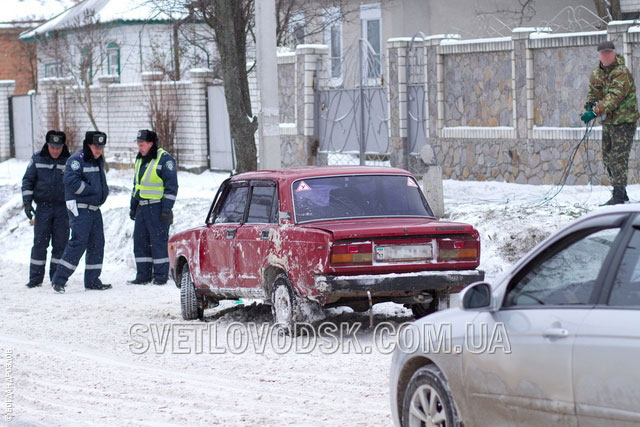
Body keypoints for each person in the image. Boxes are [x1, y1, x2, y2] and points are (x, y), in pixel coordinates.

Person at [51, 131, 111, 293]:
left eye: (101, 147)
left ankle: (92, 280)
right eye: (96, 146)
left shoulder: (98, 160)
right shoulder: (77, 160)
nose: (99, 150)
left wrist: (102, 193)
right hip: (80, 207)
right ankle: (59, 280)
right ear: (88, 145)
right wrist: (91, 190)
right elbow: (70, 181)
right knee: (79, 242)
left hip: (94, 208)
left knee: (97, 243)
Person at [582, 40, 640, 205]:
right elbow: (593, 92)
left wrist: (595, 112)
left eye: (609, 53)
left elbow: (614, 97)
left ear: (614, 54)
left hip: (624, 122)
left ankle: (619, 194)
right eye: (603, 53)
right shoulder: (597, 74)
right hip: (609, 122)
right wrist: (589, 104)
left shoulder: (621, 72)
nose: (606, 56)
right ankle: (621, 193)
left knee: (618, 157)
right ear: (599, 55)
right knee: (607, 157)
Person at [127, 130, 178, 286]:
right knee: (140, 242)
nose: (139, 147)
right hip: (142, 207)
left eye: (142, 144)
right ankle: (143, 275)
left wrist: (166, 209)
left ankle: (161, 276)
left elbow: (171, 187)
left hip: (157, 207)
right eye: (138, 144)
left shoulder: (164, 159)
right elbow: (137, 185)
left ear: (151, 144)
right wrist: (133, 206)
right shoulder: (140, 159)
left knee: (158, 242)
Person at [21, 130, 70, 288]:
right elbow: (28, 181)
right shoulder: (37, 159)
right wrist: (27, 203)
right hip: (43, 208)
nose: (55, 151)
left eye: (58, 147)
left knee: (60, 244)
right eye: (52, 147)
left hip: (63, 209)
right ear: (47, 145)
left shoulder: (70, 161)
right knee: (40, 244)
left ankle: (56, 277)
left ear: (63, 146)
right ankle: (35, 278)